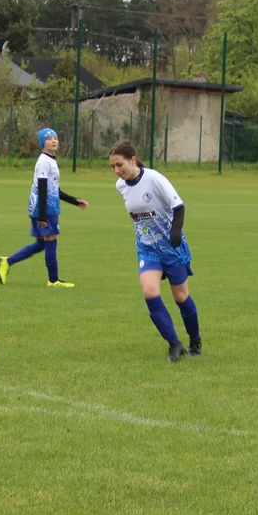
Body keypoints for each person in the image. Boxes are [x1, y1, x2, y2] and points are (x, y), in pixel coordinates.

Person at [108, 140, 201, 362]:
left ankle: (195, 341)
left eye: (119, 165)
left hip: (171, 247)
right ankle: (174, 344)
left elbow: (179, 206)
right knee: (150, 291)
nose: (116, 171)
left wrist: (176, 233)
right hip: (147, 248)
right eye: (113, 167)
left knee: (181, 297)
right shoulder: (120, 186)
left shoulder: (155, 179)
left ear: (132, 160)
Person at [0, 128, 88, 287]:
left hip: (44, 206)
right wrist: (42, 215)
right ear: (42, 143)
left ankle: (7, 262)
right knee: (51, 240)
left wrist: (74, 201)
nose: (54, 141)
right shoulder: (44, 161)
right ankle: (53, 280)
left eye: (55, 138)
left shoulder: (50, 160)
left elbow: (54, 189)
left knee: (41, 243)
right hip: (45, 207)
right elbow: (42, 187)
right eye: (49, 138)